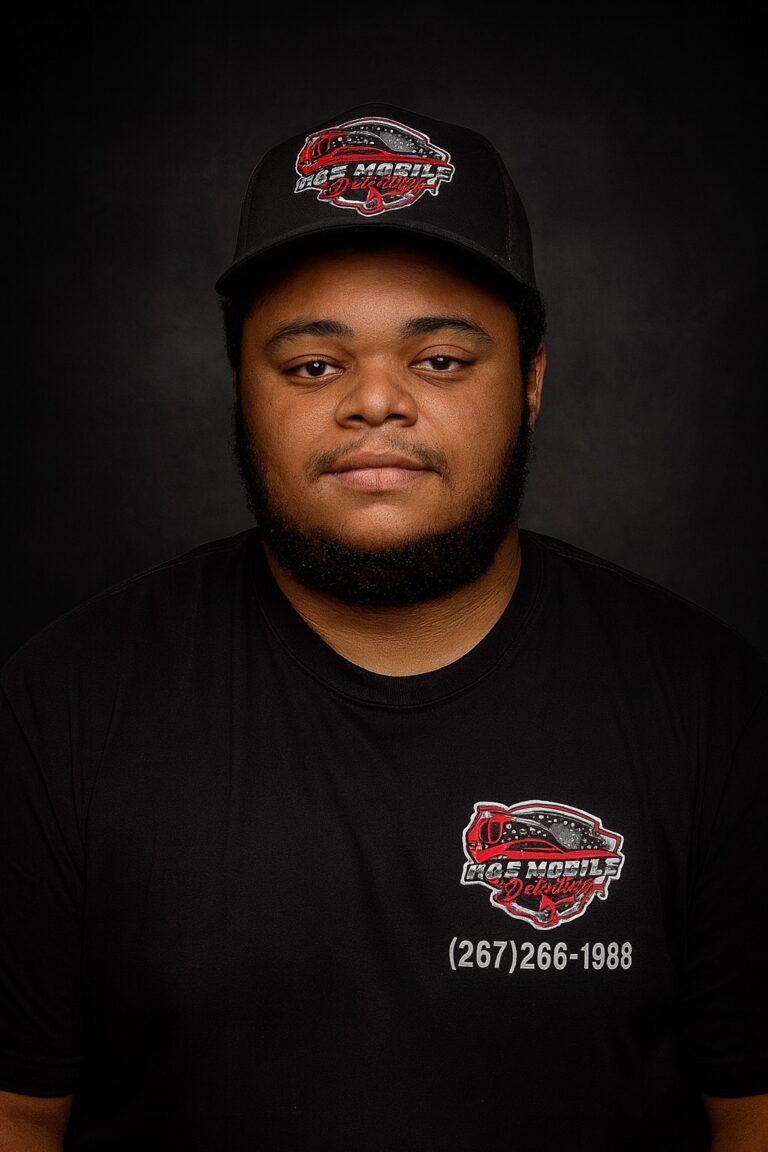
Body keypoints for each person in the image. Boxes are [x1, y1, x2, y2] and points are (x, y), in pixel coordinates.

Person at [1, 102, 766, 1152]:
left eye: (440, 359)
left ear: (532, 382)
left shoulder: (709, 706)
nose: (375, 402)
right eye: (314, 365)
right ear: (240, 389)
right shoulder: (65, 705)